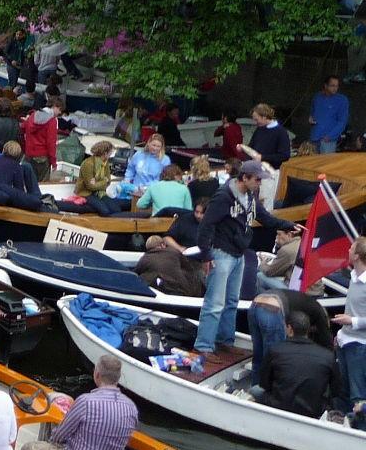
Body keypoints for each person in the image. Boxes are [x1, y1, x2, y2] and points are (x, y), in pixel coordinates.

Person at [194, 160, 298, 356]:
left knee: (232, 301)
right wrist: (206, 255)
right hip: (221, 253)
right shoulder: (223, 196)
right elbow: (206, 225)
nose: (260, 183)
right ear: (245, 177)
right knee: (214, 303)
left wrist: (288, 224)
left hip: (238, 253)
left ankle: (225, 341)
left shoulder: (250, 196)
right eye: (257, 179)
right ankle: (204, 347)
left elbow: (265, 218)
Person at [22, 355, 137, 450]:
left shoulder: (86, 402)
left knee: (28, 448)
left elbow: (59, 436)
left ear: (97, 375)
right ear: (118, 379)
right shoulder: (131, 408)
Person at [255, 311, 346, 418]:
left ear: (289, 328)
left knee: (254, 390)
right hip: (313, 410)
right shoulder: (328, 356)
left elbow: (264, 383)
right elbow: (336, 390)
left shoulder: (275, 350)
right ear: (308, 330)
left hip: (278, 406)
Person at [329, 237, 366, 417]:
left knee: (357, 393)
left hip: (359, 346)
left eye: (351, 249)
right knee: (342, 388)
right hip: (345, 340)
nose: (348, 251)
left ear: (358, 256)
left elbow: (353, 316)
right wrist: (342, 333)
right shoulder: (353, 277)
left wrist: (351, 321)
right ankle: (341, 420)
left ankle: (357, 429)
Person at [134, 235, 204, 296]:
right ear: (163, 245)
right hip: (181, 289)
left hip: (162, 289)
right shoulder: (173, 252)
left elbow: (136, 274)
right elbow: (188, 267)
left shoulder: (145, 258)